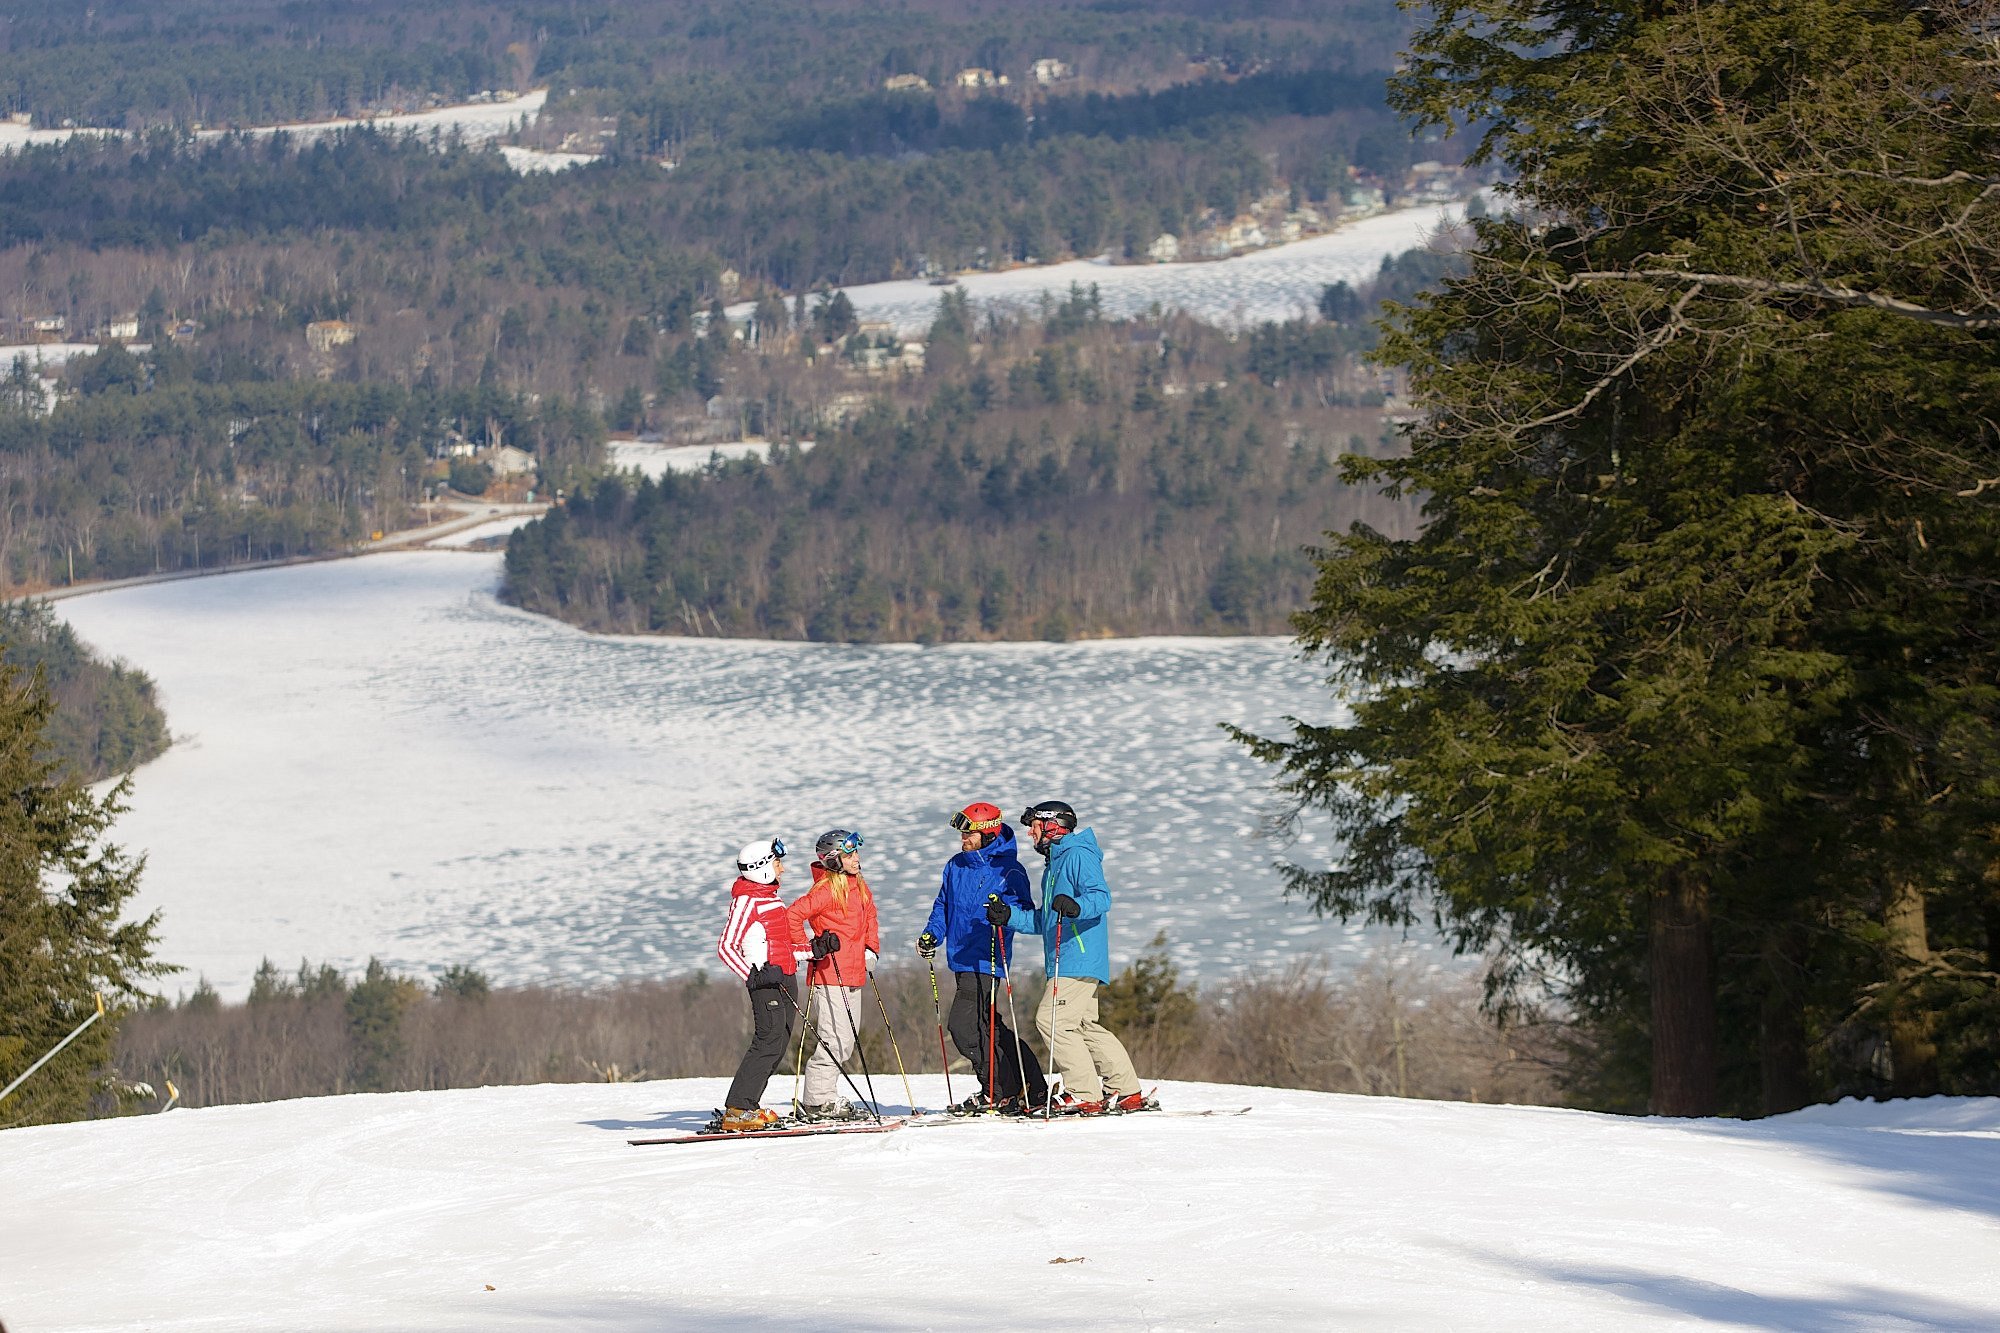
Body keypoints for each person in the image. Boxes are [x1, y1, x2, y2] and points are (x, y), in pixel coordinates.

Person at [994, 800, 1146, 1114]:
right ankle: (1125, 1089)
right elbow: (1044, 921)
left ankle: (1084, 1093)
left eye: (1033, 827)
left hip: (1078, 954)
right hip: (1066, 957)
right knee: (1083, 1025)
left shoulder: (1078, 854)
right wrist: (1008, 916)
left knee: (1053, 1021)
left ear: (1052, 826)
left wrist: (1077, 907)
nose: (1030, 835)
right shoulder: (1053, 865)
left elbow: (1100, 897)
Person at [918, 801, 1047, 1113]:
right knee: (991, 1028)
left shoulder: (1010, 870)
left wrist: (1004, 914)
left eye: (969, 832)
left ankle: (996, 1090)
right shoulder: (956, 865)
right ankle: (1031, 1084)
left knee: (964, 1028)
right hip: (960, 959)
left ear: (988, 833)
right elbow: (942, 905)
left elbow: (1026, 914)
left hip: (988, 960)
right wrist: (932, 933)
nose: (963, 837)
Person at [713, 836, 817, 1131]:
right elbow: (727, 946)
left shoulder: (771, 897)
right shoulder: (747, 900)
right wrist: (753, 975)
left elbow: (782, 947)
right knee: (767, 1040)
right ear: (762, 868)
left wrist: (814, 950)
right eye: (778, 863)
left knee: (779, 1042)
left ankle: (750, 1104)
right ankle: (737, 1109)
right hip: (765, 983)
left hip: (784, 978)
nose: (782, 870)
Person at [785, 828, 882, 1121]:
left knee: (847, 1040)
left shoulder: (859, 887)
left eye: (855, 853)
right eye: (849, 854)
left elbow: (871, 919)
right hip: (831, 974)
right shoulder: (826, 890)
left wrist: (871, 949)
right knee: (834, 1039)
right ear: (833, 860)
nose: (856, 859)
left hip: (854, 972)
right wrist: (809, 948)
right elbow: (792, 916)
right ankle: (817, 1100)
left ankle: (824, 1097)